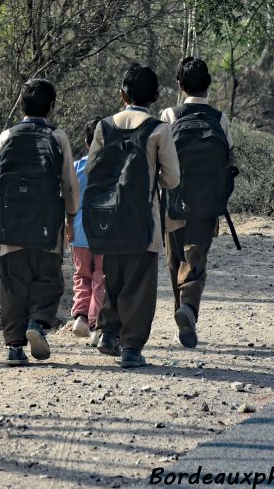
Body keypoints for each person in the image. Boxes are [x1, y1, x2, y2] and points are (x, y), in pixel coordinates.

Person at [85, 64, 179, 368]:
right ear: (153, 96)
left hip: (107, 218)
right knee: (139, 284)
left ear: (122, 94)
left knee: (112, 276)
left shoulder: (104, 127)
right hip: (143, 219)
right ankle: (131, 348)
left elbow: (91, 171)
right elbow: (173, 178)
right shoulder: (158, 129)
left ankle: (108, 333)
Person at [0, 79, 78, 366]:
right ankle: (38, 323)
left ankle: (14, 348)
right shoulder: (57, 137)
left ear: (21, 105)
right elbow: (68, 183)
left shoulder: (7, 136)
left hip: (11, 223)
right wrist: (71, 217)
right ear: (52, 107)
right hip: (46, 221)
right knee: (48, 278)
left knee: (13, 283)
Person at [160, 57, 236, 348]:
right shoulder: (219, 118)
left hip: (174, 200)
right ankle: (189, 309)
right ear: (209, 84)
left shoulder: (169, 115)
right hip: (206, 205)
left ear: (179, 85)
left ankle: (183, 311)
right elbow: (231, 160)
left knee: (174, 260)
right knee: (196, 257)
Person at [68, 117, 105, 347]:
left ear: (85, 141)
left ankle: (80, 316)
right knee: (100, 277)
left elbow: (68, 199)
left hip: (79, 233)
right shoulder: (112, 168)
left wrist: (67, 225)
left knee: (82, 276)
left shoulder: (76, 167)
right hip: (104, 233)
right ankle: (96, 325)